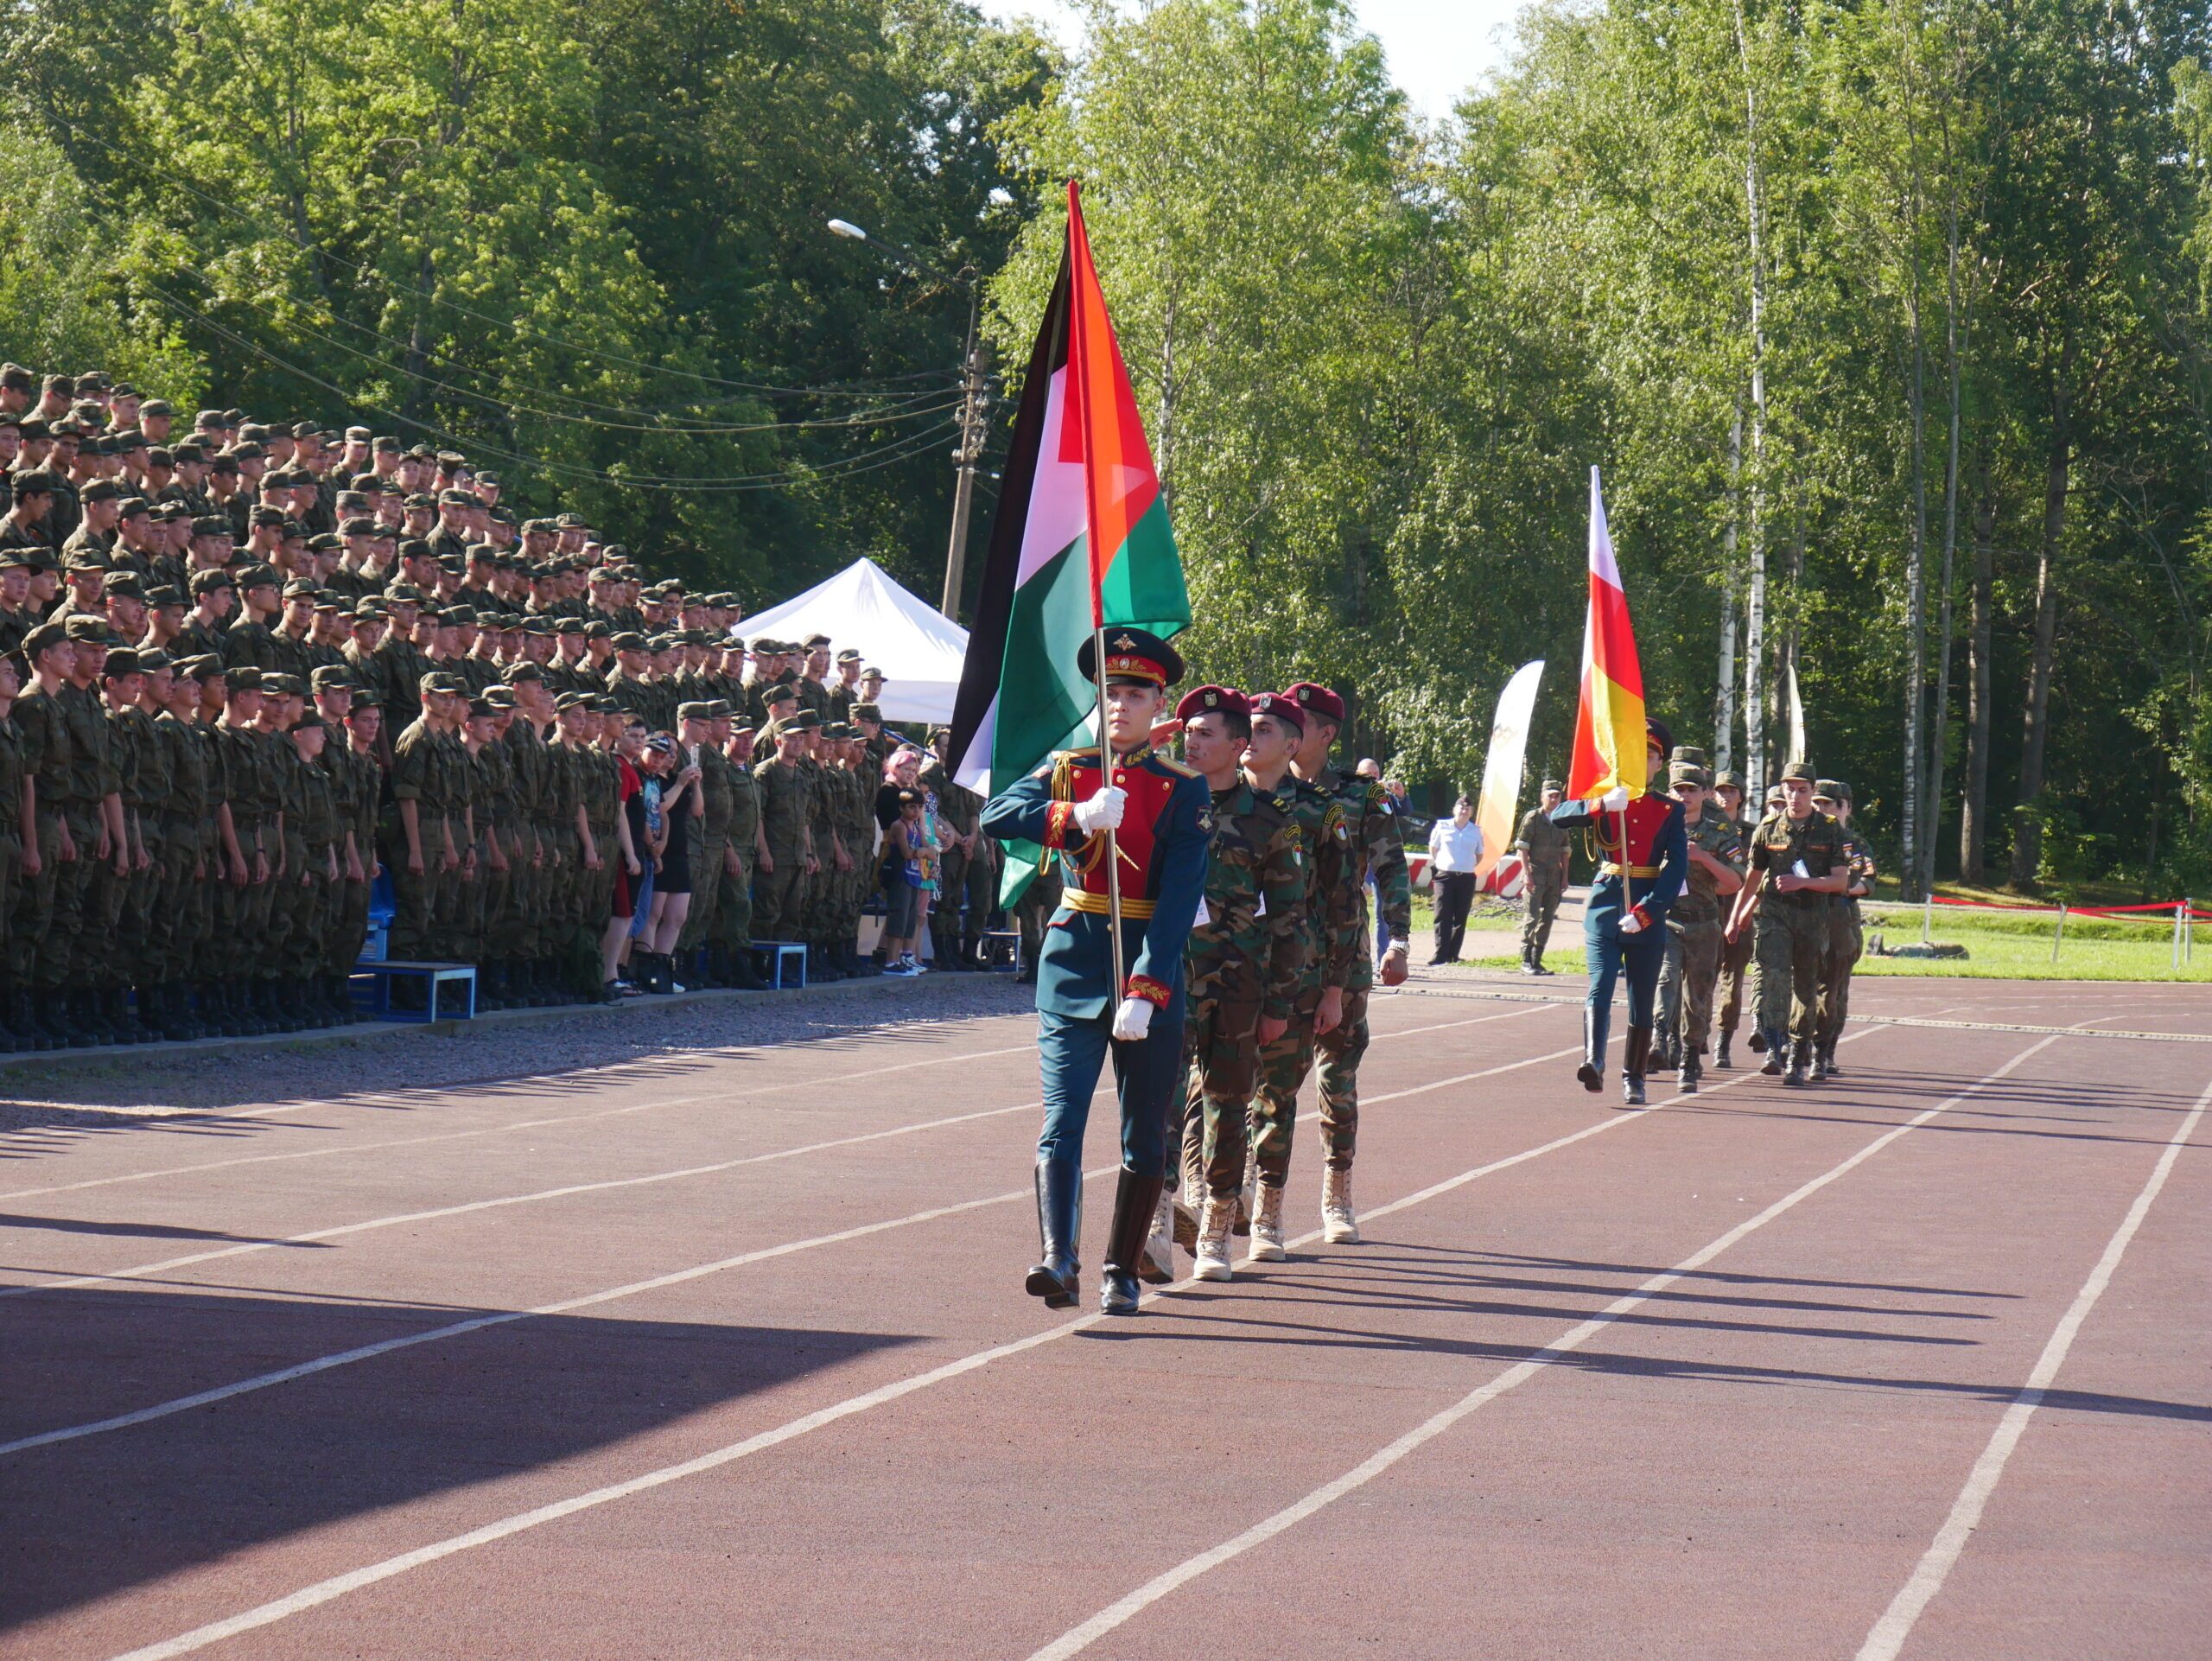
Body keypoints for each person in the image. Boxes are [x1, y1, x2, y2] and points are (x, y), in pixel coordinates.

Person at [980, 627, 1209, 1317]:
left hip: (1146, 969)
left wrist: (1146, 990)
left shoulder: (1181, 790)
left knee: (1142, 1135)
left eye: (1135, 694)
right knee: (1062, 1120)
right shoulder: (1070, 768)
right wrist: (1070, 815)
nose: (1120, 705)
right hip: (1074, 961)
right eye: (1111, 692)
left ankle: (1121, 1269)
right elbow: (996, 813)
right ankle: (1059, 1258)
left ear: (1156, 703)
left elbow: (1176, 904)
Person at [1168, 685, 1304, 1282]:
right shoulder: (1165, 803)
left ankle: (1216, 1231)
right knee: (1160, 1102)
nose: (1191, 742)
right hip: (1167, 977)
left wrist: (1279, 1000)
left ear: (1237, 745)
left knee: (1227, 1106)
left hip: (1238, 983)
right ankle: (1153, 1218)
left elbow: (1290, 916)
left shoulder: (1269, 820)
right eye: (1187, 733)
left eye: (1205, 734)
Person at [1282, 681, 1412, 1244]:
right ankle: (1258, 1199)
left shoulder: (1364, 797)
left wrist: (1398, 941)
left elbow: (1392, 871)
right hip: (1278, 958)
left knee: (1337, 1079)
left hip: (1343, 957)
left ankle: (1338, 1192)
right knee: (1271, 1082)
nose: (1286, 732)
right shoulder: (1263, 788)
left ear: (1326, 734)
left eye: (1300, 723)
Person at [1548, 717, 1688, 1104]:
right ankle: (1594, 1061)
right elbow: (1557, 816)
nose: (1640, 761)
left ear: (1660, 764)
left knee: (1642, 996)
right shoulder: (1608, 798)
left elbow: (1676, 867)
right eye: (1632, 754)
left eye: (1648, 755)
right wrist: (1599, 805)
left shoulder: (1669, 810)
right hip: (1606, 901)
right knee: (1601, 984)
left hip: (1645, 903)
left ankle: (1635, 1076)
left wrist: (1648, 911)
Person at [1725, 761, 1849, 1085]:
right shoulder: (1767, 829)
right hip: (1775, 915)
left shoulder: (1830, 829)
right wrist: (1737, 916)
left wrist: (1804, 883)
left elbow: (1839, 882)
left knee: (1806, 988)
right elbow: (1752, 878)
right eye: (1789, 789)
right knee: (1774, 978)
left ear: (1812, 792)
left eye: (1802, 790)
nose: (1795, 796)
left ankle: (1798, 1054)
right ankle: (1773, 1045)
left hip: (1812, 917)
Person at [1657, 759, 1743, 1092]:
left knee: (1698, 993)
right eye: (1679, 789)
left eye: (1691, 790)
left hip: (1704, 923)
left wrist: (1703, 857)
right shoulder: (1658, 828)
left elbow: (1735, 881)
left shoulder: (1719, 832)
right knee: (1665, 979)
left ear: (1702, 794)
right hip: (1667, 919)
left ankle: (1691, 1054)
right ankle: (1659, 1037)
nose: (1685, 796)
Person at [1812, 779, 1874, 1081]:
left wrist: (1840, 888)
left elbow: (1868, 883)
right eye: (1817, 803)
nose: (1822, 809)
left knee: (1834, 991)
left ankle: (1824, 1051)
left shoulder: (1855, 843)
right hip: (1806, 917)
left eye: (1827, 804)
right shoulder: (1803, 837)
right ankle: (1796, 1047)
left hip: (1840, 919)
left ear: (1842, 808)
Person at [1708, 768, 1756, 1066]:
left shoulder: (1751, 833)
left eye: (1731, 791)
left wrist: (1742, 914)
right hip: (1706, 909)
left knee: (1732, 978)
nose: (1725, 796)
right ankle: (1695, 1033)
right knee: (1699, 977)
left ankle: (1723, 1042)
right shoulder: (1702, 827)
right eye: (1721, 791)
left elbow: (1755, 876)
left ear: (1741, 797)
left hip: (1737, 909)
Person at [1513, 779, 1569, 973]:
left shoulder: (1563, 818)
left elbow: (1565, 850)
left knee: (1547, 918)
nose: (1554, 799)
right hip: (1535, 873)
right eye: (1550, 795)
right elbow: (1523, 848)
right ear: (1542, 797)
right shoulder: (1533, 817)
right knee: (1532, 916)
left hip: (1554, 875)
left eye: (1557, 796)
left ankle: (1537, 959)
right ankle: (1525, 960)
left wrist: (1565, 877)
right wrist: (1527, 873)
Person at [1425, 793, 1483, 964]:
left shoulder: (1476, 831)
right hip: (1445, 876)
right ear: (1454, 809)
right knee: (1443, 913)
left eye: (1467, 808)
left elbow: (1479, 854)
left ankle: (1453, 954)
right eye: (1461, 807)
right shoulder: (1442, 826)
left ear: (1471, 812)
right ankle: (1440, 953)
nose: (1464, 810)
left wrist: (1465, 865)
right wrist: (1444, 864)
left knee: (1460, 916)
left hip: (1466, 877)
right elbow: (1433, 849)